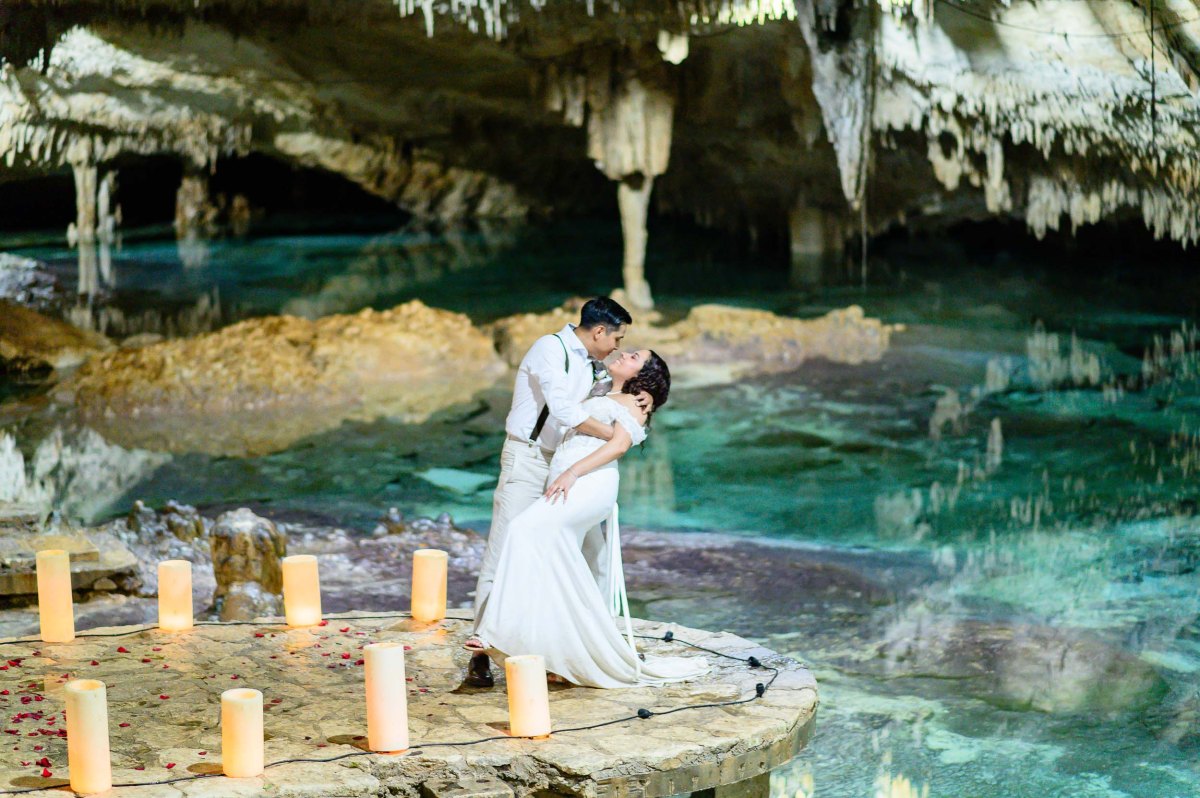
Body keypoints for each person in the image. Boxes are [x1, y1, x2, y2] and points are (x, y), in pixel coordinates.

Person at [473, 349, 708, 688]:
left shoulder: (636, 399)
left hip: (588, 482)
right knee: (558, 558)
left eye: (634, 356)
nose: (624, 353)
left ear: (644, 375)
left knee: (524, 529)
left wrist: (571, 472)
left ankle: (494, 633)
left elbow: (618, 446)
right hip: (568, 479)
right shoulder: (600, 388)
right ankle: (561, 651)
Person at [465, 297, 647, 687]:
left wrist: (638, 401)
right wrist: (618, 436)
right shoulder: (550, 349)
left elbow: (605, 400)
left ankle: (596, 644)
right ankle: (482, 652)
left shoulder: (595, 363)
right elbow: (564, 410)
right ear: (599, 331)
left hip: (567, 462)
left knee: (593, 553)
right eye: (616, 337)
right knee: (505, 546)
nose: (617, 346)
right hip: (529, 459)